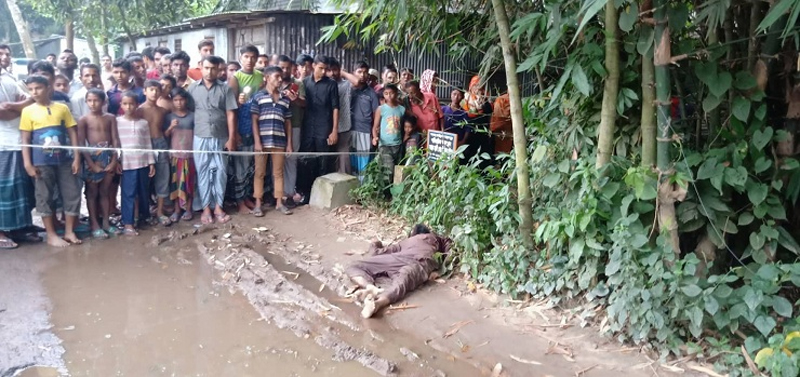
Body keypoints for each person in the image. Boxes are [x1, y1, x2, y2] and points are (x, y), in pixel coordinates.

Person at [20, 75, 82, 247]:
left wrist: (76, 157)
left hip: (64, 160)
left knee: (71, 193)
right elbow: (25, 139)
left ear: (48, 88)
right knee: (44, 196)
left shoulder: (62, 108)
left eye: (38, 88)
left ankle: (69, 231)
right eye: (31, 89)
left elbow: (72, 133)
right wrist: (28, 163)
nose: (34, 92)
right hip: (41, 162)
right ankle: (51, 234)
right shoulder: (28, 111)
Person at [345, 224, 452, 318]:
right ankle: (378, 303)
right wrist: (441, 269)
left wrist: (375, 243)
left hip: (398, 259)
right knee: (402, 283)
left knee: (354, 266)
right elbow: (449, 248)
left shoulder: (406, 242)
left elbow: (377, 253)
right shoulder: (436, 238)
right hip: (419, 262)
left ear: (413, 234)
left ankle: (368, 286)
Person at [187, 56, 238, 225]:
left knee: (221, 172)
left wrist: (231, 138)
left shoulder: (225, 89)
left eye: (213, 68)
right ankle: (206, 208)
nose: (210, 72)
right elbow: (188, 114)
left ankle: (218, 206)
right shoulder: (192, 89)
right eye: (207, 68)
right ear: (201, 67)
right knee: (203, 172)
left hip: (220, 136)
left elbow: (231, 114)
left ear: (219, 70)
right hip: (200, 136)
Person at [0, 44, 38, 249]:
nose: (5, 56)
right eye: (1, 53)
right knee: (4, 189)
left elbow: (30, 102)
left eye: (8, 53)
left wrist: (14, 105)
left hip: (19, 139)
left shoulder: (9, 77)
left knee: (21, 187)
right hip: (3, 143)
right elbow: (2, 113)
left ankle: (19, 227)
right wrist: (20, 106)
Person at [250, 65, 293, 216]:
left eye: (281, 77)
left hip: (279, 142)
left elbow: (288, 123)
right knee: (259, 173)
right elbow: (254, 120)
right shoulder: (258, 97)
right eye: (276, 77)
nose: (280, 80)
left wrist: (289, 144)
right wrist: (257, 141)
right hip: (262, 142)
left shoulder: (285, 100)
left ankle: (279, 203)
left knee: (278, 173)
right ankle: (257, 204)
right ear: (267, 78)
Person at [77, 89, 119, 239]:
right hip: (92, 158)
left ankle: (106, 222)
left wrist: (114, 160)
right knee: (92, 192)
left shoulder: (110, 118)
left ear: (103, 102)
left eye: (96, 100)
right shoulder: (84, 120)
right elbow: (81, 144)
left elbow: (115, 139)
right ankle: (94, 224)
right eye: (90, 101)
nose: (93, 104)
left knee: (105, 191)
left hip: (108, 155)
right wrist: (91, 163)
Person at [297, 55, 338, 205]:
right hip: (308, 127)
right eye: (320, 68)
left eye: (325, 69)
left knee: (323, 161)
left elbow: (335, 107)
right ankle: (306, 194)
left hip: (324, 127)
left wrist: (334, 130)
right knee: (307, 161)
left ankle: (323, 196)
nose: (323, 71)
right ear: (313, 66)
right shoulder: (305, 82)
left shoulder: (331, 84)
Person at [228, 45, 262, 214]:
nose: (250, 60)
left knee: (250, 166)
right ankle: (240, 202)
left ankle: (247, 197)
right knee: (240, 167)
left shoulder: (260, 77)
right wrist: (234, 134)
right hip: (240, 125)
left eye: (253, 57)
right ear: (240, 57)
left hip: (255, 124)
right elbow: (232, 107)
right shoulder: (235, 78)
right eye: (246, 56)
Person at [117, 92, 155, 236]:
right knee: (128, 193)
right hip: (127, 164)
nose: (128, 107)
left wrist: (151, 162)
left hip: (143, 162)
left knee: (143, 192)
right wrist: (117, 161)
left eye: (132, 103)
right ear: (121, 105)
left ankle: (143, 218)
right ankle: (128, 223)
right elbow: (115, 144)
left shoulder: (143, 123)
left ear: (137, 105)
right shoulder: (117, 122)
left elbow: (147, 143)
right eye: (125, 104)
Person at [139, 80, 172, 226]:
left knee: (162, 177)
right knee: (143, 179)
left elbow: (166, 131)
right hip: (144, 145)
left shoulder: (163, 111)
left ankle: (160, 211)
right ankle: (144, 212)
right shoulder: (138, 110)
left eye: (157, 90)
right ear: (144, 91)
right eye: (151, 89)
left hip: (160, 143)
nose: (154, 92)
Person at [277, 55, 305, 207]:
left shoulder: (298, 84)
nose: (285, 70)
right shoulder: (274, 82)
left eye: (288, 67)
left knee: (291, 159)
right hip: (275, 126)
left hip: (294, 125)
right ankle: (276, 194)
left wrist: (296, 99)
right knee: (276, 161)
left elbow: (305, 103)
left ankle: (288, 193)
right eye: (282, 67)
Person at [164, 88, 196, 222]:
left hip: (190, 156)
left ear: (186, 100)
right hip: (175, 156)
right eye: (176, 100)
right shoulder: (169, 117)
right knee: (175, 183)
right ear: (172, 101)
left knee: (189, 182)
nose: (179, 103)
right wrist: (171, 127)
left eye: (181, 100)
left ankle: (188, 208)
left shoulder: (192, 116)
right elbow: (165, 136)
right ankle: (177, 209)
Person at [346, 61, 380, 181]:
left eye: (365, 72)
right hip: (348, 130)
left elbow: (377, 113)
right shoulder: (347, 89)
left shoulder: (372, 93)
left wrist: (374, 132)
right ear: (353, 73)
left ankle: (362, 190)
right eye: (359, 72)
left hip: (364, 131)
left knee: (364, 161)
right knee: (351, 160)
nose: (362, 75)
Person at [372, 84, 404, 181]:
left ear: (396, 94)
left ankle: (395, 192)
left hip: (398, 144)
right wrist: (375, 137)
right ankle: (386, 192)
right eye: (386, 94)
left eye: (391, 93)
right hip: (384, 145)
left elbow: (410, 121)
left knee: (397, 169)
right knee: (388, 169)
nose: (389, 96)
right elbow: (375, 127)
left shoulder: (402, 109)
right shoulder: (381, 109)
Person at [326, 58, 353, 174]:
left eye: (335, 70)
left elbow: (356, 82)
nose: (332, 73)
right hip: (326, 126)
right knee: (328, 158)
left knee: (344, 157)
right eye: (329, 70)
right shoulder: (323, 85)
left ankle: (345, 181)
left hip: (344, 125)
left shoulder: (345, 85)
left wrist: (343, 72)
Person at [461, 75, 494, 167]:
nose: (477, 88)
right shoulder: (466, 97)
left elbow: (490, 109)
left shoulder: (485, 96)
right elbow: (463, 110)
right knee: (469, 149)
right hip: (469, 128)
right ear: (471, 86)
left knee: (483, 149)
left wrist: (482, 105)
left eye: (479, 85)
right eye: (475, 85)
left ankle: (482, 169)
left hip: (482, 128)